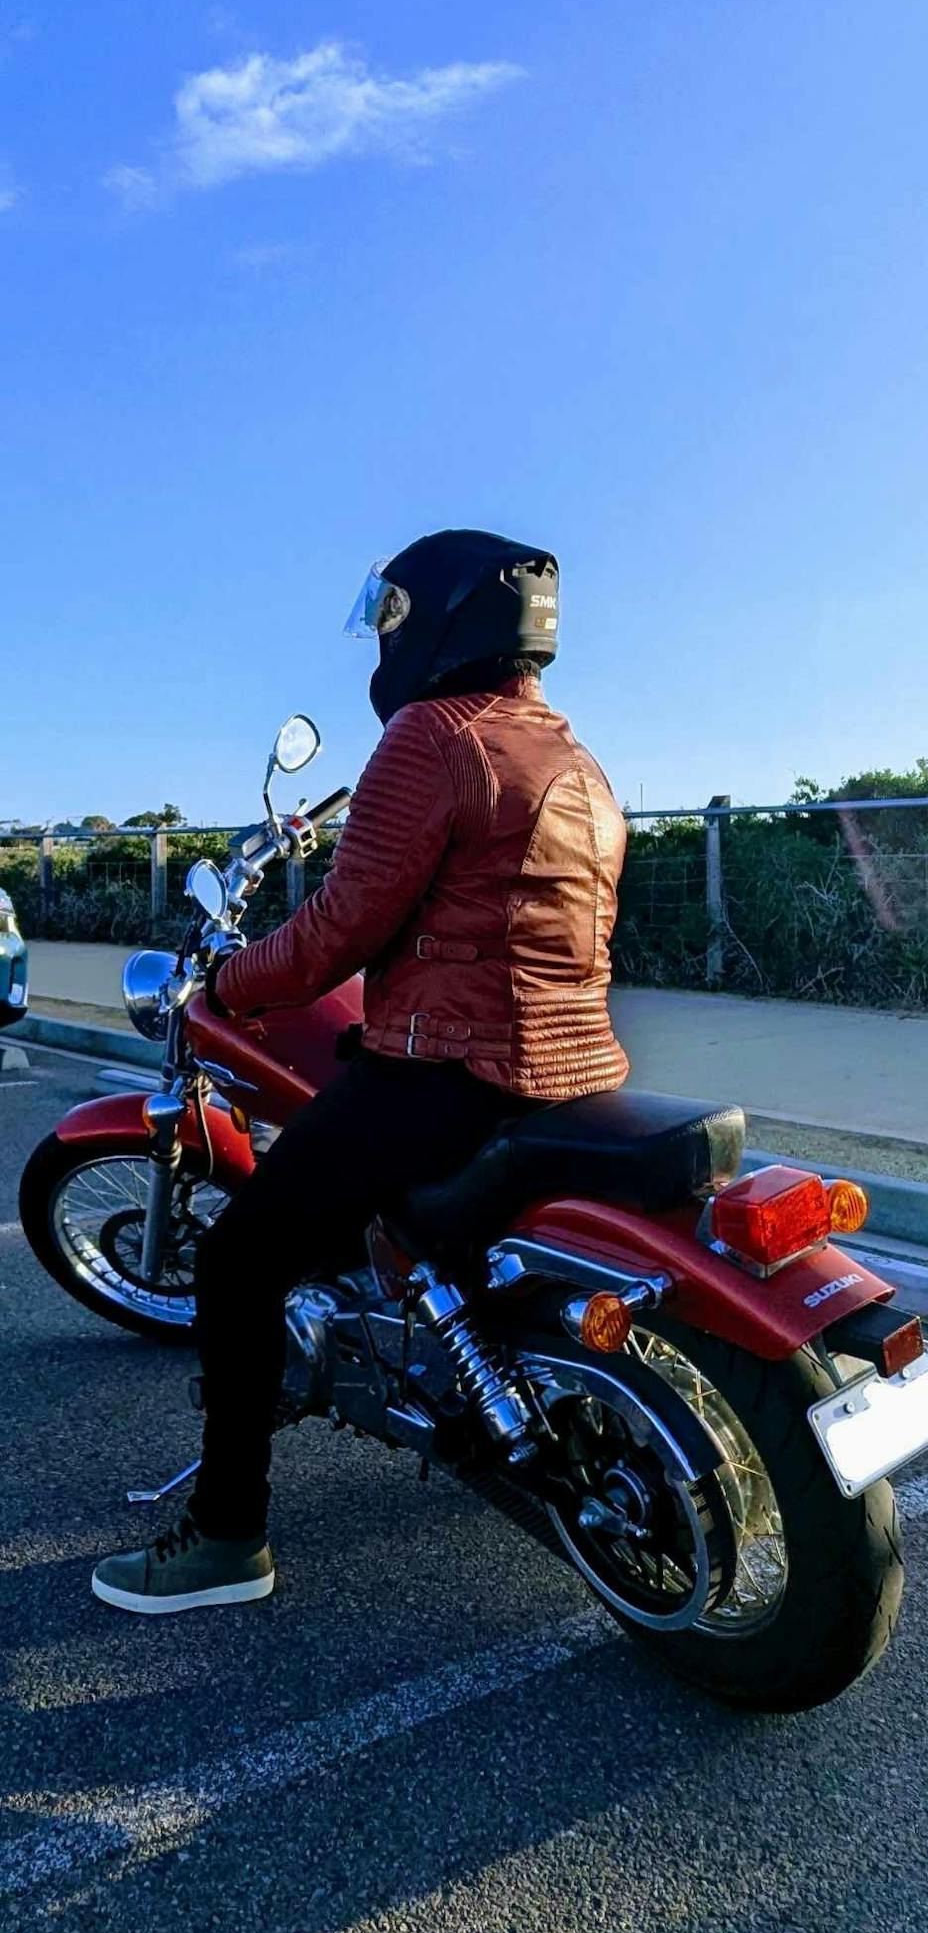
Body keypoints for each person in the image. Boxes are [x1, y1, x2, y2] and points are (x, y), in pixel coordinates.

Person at [92, 529, 629, 1614]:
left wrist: (230, 982)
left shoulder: (434, 734)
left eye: (389, 619)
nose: (382, 642)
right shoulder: (572, 755)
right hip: (576, 1068)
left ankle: (225, 1538)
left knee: (240, 1256)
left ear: (436, 621)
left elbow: (340, 928)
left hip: (453, 1073)